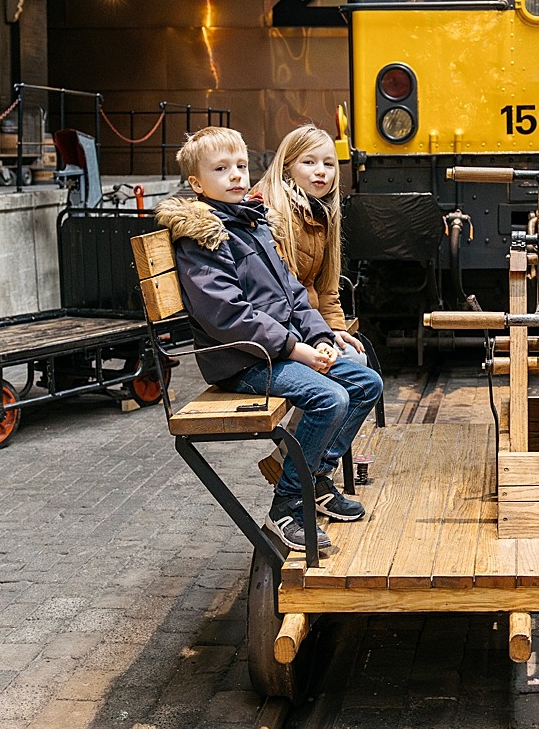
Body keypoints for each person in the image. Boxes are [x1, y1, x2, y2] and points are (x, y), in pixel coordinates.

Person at [156, 126, 383, 553]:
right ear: (196, 184)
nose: (236, 176)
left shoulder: (252, 222)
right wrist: (297, 349)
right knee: (329, 398)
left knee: (366, 383)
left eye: (241, 166)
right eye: (221, 169)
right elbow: (228, 316)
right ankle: (286, 507)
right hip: (241, 362)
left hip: (274, 350)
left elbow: (292, 293)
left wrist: (318, 334)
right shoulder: (203, 237)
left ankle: (314, 479)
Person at [254, 124, 367, 363]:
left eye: (328, 164)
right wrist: (320, 339)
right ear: (286, 168)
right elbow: (282, 297)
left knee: (357, 354)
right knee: (355, 363)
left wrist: (336, 329)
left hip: (306, 325)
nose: (321, 172)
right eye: (309, 162)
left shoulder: (319, 213)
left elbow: (327, 288)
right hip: (281, 333)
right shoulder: (271, 212)